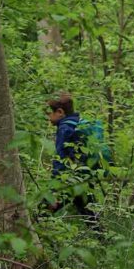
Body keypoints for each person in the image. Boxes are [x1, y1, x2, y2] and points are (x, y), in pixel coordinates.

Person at [47, 92, 101, 225]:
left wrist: (54, 187)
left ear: (60, 112)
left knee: (44, 208)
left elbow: (60, 158)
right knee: (88, 213)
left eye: (49, 113)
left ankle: (31, 237)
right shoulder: (78, 124)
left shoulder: (65, 128)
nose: (47, 117)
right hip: (85, 175)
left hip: (70, 178)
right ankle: (104, 241)